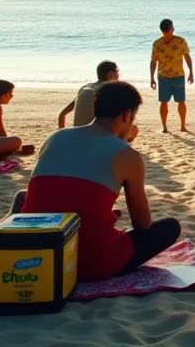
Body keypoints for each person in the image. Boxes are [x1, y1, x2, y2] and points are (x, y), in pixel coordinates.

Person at [12, 81, 181, 282]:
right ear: (127, 116)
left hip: (37, 257)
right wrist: (124, 141)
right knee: (170, 226)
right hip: (91, 264)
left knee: (23, 196)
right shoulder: (127, 155)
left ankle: (14, 244)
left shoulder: (56, 137)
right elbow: (142, 224)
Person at [150, 19, 194, 133]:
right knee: (164, 101)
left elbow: (187, 57)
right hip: (163, 76)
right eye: (172, 27)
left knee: (181, 100)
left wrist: (191, 72)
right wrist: (151, 78)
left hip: (178, 75)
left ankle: (183, 126)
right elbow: (153, 61)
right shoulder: (157, 43)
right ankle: (164, 127)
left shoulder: (180, 41)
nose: (173, 29)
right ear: (169, 29)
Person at [58, 61, 123, 132]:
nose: (118, 76)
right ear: (109, 74)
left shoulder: (85, 88)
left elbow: (62, 114)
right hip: (97, 137)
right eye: (117, 72)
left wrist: (62, 134)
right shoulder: (110, 89)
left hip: (77, 136)